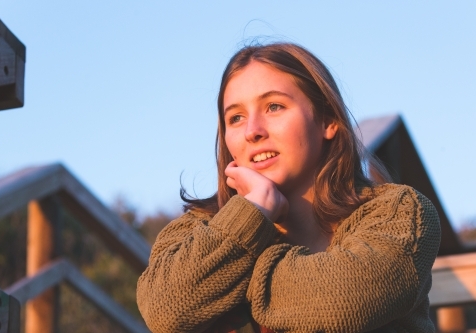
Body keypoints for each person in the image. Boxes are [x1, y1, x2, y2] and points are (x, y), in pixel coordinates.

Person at [136, 43, 441, 333]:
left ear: (328, 120)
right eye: (236, 117)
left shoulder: (397, 211)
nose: (253, 131)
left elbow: (346, 300)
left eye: (274, 106)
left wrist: (226, 283)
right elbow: (166, 310)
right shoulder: (201, 226)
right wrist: (251, 212)